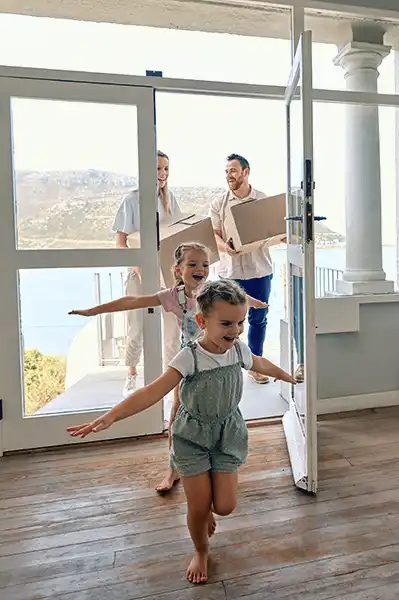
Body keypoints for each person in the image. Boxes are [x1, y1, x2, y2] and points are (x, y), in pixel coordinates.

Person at [68, 279, 297, 584]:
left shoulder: (237, 350)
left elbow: (259, 362)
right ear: (202, 321)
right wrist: (111, 417)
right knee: (198, 506)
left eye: (240, 322)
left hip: (226, 434)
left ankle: (208, 514)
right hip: (191, 438)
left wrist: (284, 374)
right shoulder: (190, 356)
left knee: (225, 506)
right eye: (227, 323)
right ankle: (201, 550)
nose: (236, 330)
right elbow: (151, 391)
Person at [69, 243, 268, 494]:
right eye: (193, 264)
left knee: (221, 409)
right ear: (178, 269)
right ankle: (174, 468)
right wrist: (92, 311)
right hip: (191, 361)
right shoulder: (173, 296)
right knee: (177, 412)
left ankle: (219, 461)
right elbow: (132, 300)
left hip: (219, 358)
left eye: (205, 265)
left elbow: (236, 297)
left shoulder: (214, 291)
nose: (200, 269)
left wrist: (256, 303)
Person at [208, 154, 283, 385]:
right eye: (226, 171)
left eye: (233, 170)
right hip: (229, 273)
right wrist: (226, 248)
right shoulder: (219, 203)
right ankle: (224, 367)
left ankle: (255, 365)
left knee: (258, 319)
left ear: (245, 172)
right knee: (225, 321)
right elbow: (214, 234)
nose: (229, 175)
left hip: (259, 271)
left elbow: (273, 231)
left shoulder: (262, 200)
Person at [113, 151, 182, 396]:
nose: (162, 175)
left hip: (166, 273)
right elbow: (121, 243)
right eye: (157, 169)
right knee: (137, 327)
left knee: (173, 327)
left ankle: (171, 381)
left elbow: (176, 236)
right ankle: (131, 374)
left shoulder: (170, 200)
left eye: (166, 170)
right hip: (139, 273)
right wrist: (138, 268)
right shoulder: (131, 201)